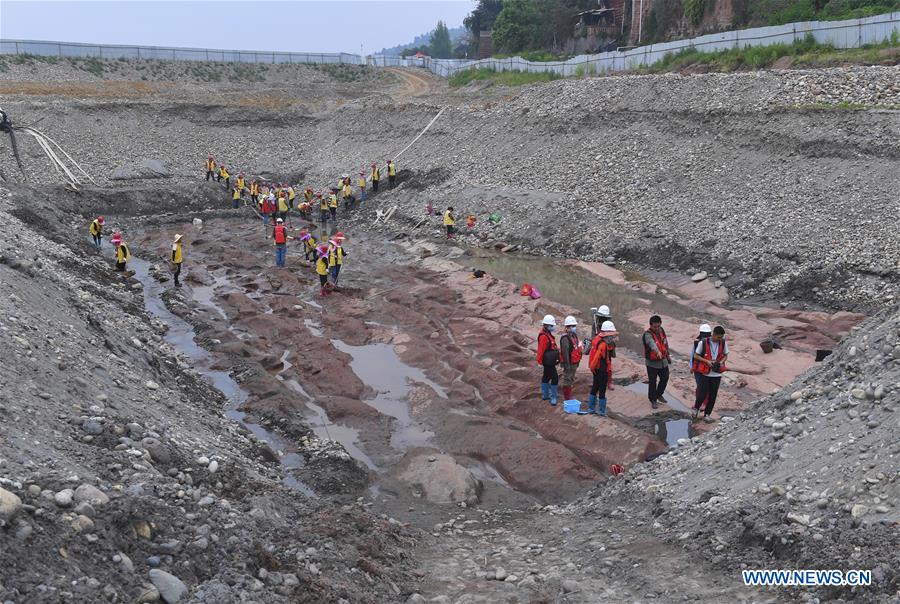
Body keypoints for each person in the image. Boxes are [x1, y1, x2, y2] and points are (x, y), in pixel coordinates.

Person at [692, 325, 729, 423]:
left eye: (721, 337)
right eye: (718, 337)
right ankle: (696, 408)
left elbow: (726, 355)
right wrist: (707, 361)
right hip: (705, 372)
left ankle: (707, 414)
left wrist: (721, 362)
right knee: (702, 393)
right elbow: (695, 356)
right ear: (714, 334)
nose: (720, 339)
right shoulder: (703, 342)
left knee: (713, 395)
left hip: (716, 373)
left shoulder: (723, 342)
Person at [588, 320, 618, 416]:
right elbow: (597, 357)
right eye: (612, 335)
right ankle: (601, 411)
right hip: (601, 369)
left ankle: (591, 408)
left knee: (595, 387)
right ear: (607, 334)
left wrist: (592, 369)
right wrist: (593, 368)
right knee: (602, 390)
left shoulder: (597, 339)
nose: (613, 337)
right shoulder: (603, 345)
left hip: (596, 369)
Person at [643, 315, 671, 409]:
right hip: (652, 363)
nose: (657, 328)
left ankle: (659, 394)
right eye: (655, 327)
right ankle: (653, 400)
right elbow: (652, 344)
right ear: (650, 325)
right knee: (652, 381)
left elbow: (665, 343)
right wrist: (657, 351)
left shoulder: (661, 330)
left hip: (663, 360)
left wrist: (668, 355)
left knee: (665, 378)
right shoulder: (647, 334)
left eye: (658, 326)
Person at [536, 314, 560, 406]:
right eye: (551, 325)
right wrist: (539, 361)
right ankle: (553, 397)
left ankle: (545, 395)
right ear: (546, 325)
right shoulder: (543, 336)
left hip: (549, 360)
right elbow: (541, 350)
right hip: (548, 361)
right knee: (555, 377)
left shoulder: (547, 334)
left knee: (546, 376)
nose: (553, 327)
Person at [559, 315, 583, 405]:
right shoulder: (565, 338)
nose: (574, 327)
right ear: (567, 327)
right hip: (569, 363)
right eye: (572, 326)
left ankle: (569, 395)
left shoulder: (574, 335)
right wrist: (567, 365)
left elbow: (576, 347)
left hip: (575, 362)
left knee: (571, 378)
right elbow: (565, 353)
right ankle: (567, 397)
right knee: (567, 379)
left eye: (574, 326)